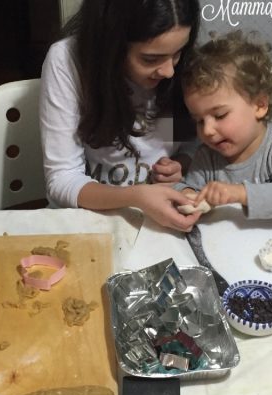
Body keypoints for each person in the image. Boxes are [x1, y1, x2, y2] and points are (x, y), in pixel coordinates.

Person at [39, 0, 202, 231]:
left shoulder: (177, 69)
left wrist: (181, 164)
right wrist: (136, 197)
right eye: (150, 59)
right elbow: (63, 179)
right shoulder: (69, 61)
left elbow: (188, 142)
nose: (169, 71)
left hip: (161, 215)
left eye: (178, 53)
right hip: (88, 216)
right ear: (111, 45)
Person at [175, 30, 272, 220]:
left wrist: (241, 193)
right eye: (199, 121)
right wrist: (187, 194)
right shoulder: (207, 156)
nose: (207, 131)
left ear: (260, 105)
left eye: (220, 115)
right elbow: (187, 187)